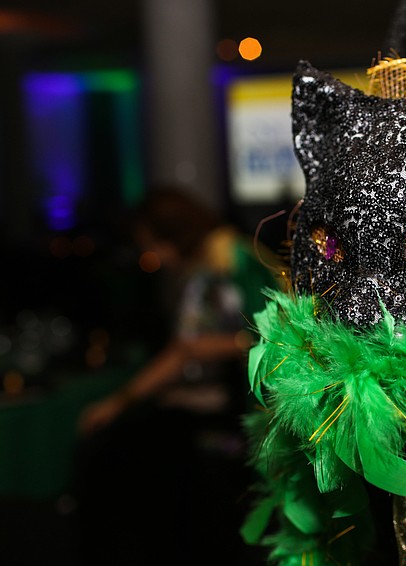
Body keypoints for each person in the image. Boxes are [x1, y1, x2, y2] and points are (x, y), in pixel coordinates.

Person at [75, 187, 278, 565]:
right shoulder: (215, 256)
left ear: (174, 233)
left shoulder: (224, 259)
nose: (152, 257)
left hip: (254, 411)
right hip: (238, 407)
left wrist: (121, 400)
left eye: (153, 244)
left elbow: (206, 344)